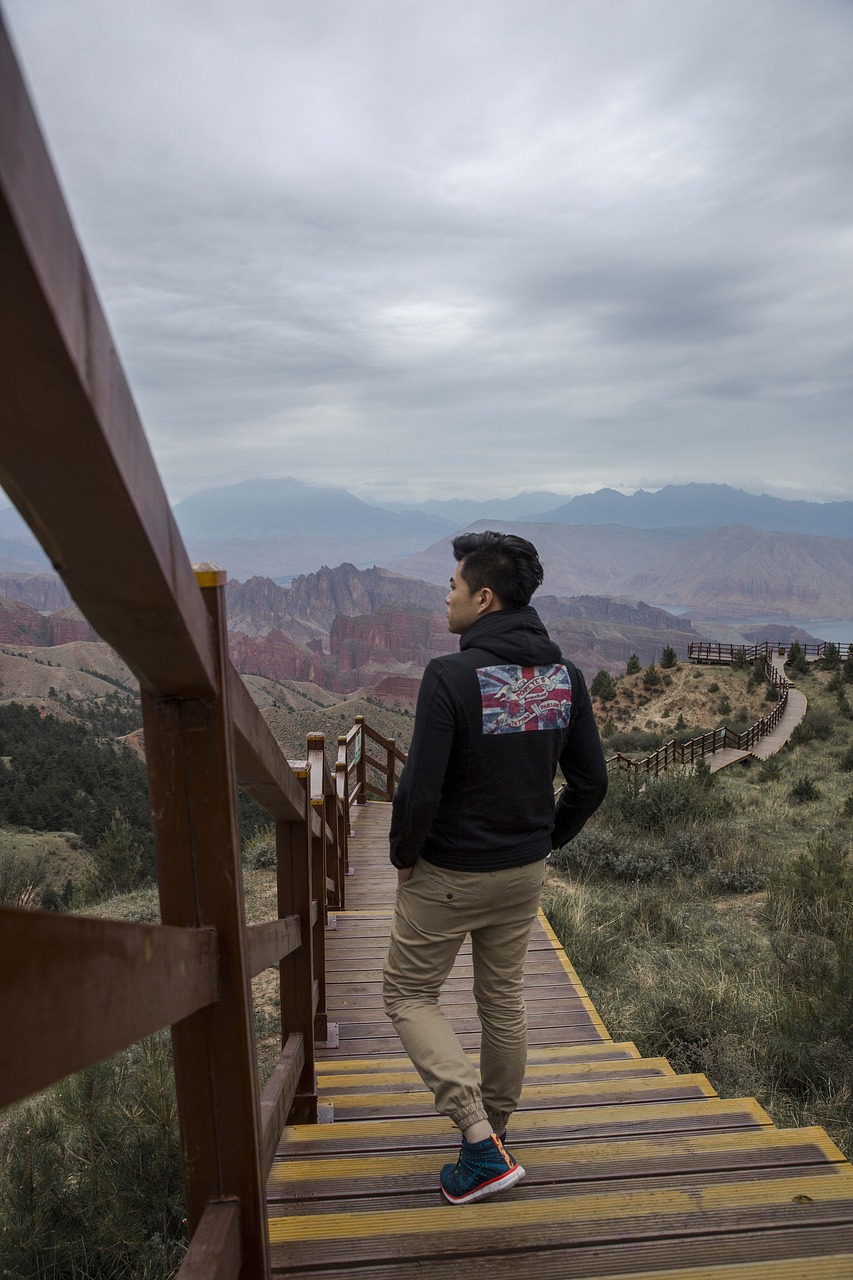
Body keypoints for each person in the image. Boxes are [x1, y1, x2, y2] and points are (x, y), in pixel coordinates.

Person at [382, 530, 608, 1204]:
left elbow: (419, 789)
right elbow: (590, 783)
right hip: (523, 871)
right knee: (501, 1002)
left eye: (451, 586)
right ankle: (493, 1134)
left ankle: (480, 1144)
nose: (444, 597)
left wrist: (403, 855)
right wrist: (543, 839)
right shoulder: (561, 677)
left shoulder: (451, 676)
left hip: (449, 873)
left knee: (407, 994)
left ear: (483, 597)